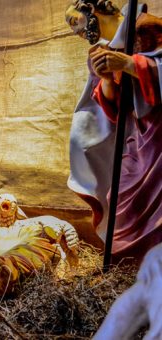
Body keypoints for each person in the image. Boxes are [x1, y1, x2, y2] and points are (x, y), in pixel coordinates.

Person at [65, 0, 162, 262]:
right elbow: (115, 109)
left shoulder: (147, 29)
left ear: (93, 12)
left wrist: (131, 64)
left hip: (159, 137)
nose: (77, 32)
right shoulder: (101, 51)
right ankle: (128, 269)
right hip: (136, 138)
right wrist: (107, 79)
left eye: (77, 22)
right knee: (120, 200)